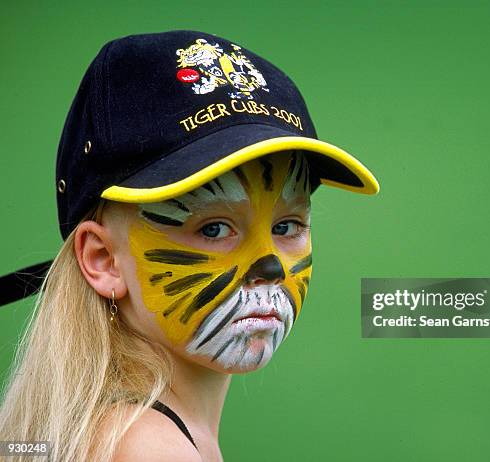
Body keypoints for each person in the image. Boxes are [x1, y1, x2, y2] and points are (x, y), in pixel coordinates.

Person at [0, 30, 379, 462]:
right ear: (103, 260)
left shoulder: (107, 430)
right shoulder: (148, 448)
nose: (269, 266)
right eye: (214, 229)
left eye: (288, 225)